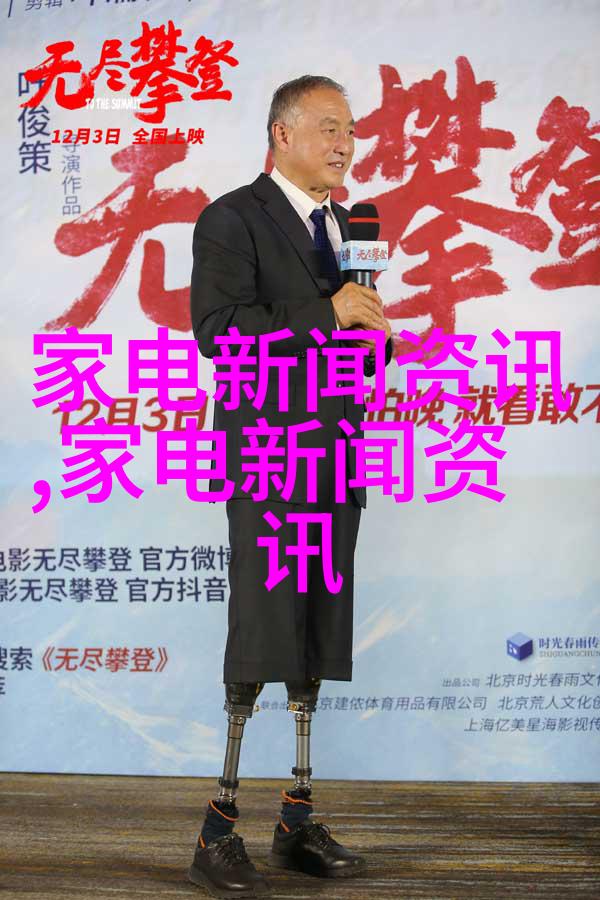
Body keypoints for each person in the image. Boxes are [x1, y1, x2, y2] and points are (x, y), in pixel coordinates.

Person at [188, 75, 392, 898]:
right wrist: (328, 312)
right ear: (282, 134)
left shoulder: (350, 224)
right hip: (269, 457)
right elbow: (220, 333)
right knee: (263, 627)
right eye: (330, 127)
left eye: (351, 130)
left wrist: (369, 340)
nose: (346, 144)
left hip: (335, 452)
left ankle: (295, 820)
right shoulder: (232, 218)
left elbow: (356, 328)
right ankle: (216, 831)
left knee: (314, 631)